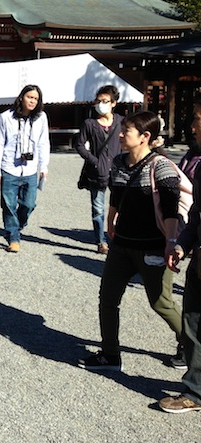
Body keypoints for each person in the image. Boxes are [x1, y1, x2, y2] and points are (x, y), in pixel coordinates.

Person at [78, 110, 184, 371]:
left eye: (127, 131)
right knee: (108, 298)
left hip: (153, 247)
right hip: (122, 246)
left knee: (161, 302)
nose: (121, 134)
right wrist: (111, 221)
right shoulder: (118, 161)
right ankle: (110, 354)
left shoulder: (161, 166)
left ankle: (191, 343)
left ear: (145, 137)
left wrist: (171, 241)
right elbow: (116, 195)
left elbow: (170, 210)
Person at [161, 101, 201, 412]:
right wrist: (181, 244)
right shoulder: (196, 160)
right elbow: (197, 215)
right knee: (193, 323)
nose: (193, 125)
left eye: (199, 120)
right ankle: (195, 391)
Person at [0, 84, 50, 253]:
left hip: (31, 168)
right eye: (29, 97)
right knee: (8, 205)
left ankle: (17, 225)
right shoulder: (6, 117)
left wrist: (44, 166)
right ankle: (13, 236)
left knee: (29, 204)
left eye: (36, 99)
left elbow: (43, 142)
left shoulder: (41, 117)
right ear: (21, 97)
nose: (32, 101)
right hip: (9, 167)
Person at [76, 85, 124, 254]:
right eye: (98, 101)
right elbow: (80, 145)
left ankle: (118, 238)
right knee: (98, 207)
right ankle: (101, 241)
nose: (101, 104)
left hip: (119, 171)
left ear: (114, 103)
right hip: (97, 171)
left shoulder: (121, 122)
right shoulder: (90, 123)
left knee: (121, 206)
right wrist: (94, 161)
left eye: (105, 101)